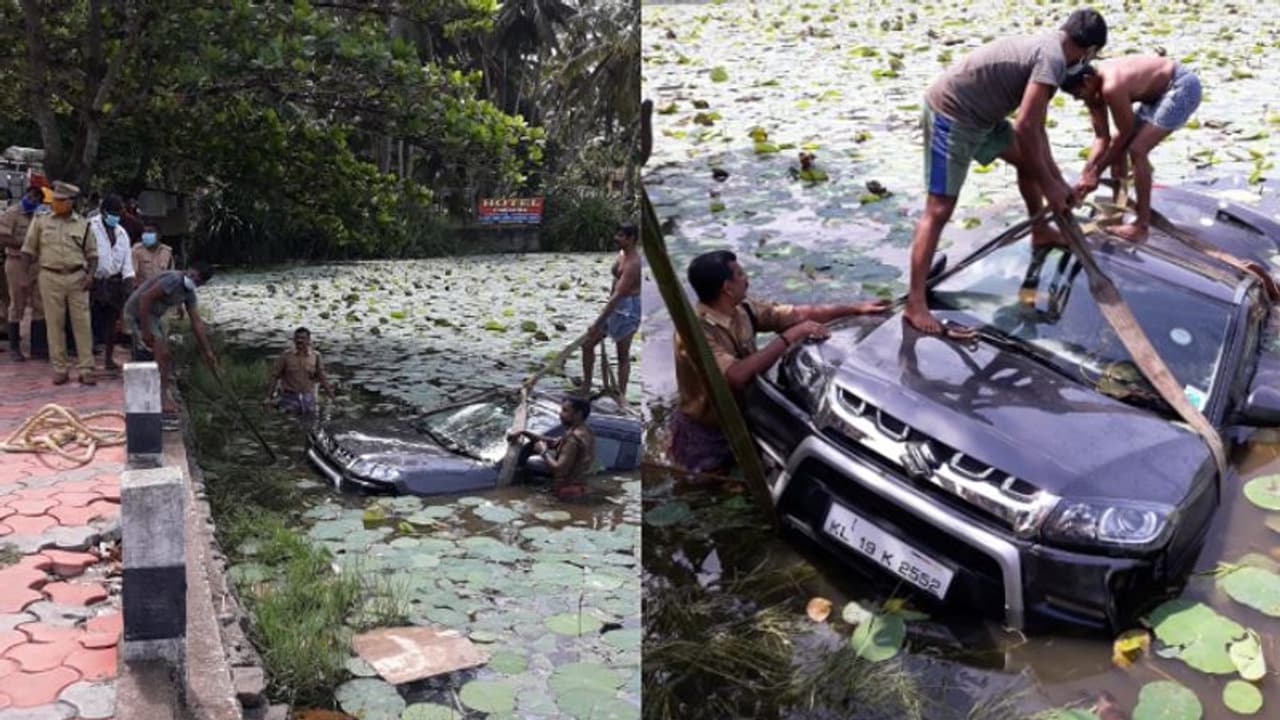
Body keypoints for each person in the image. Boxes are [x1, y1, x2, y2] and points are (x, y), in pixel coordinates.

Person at [904, 8, 1108, 337]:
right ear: (1087, 51)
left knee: (1029, 164)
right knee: (939, 209)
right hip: (952, 114)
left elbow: (1036, 132)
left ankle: (1040, 230)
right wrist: (1051, 186)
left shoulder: (1052, 49)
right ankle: (915, 303)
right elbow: (1027, 126)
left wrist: (1055, 182)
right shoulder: (1053, 59)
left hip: (985, 118)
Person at [670, 250, 889, 474]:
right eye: (741, 274)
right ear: (727, 287)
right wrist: (789, 337)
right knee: (702, 485)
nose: (747, 279)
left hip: (743, 415)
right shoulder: (694, 332)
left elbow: (797, 315)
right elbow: (735, 376)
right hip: (706, 430)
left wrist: (856, 308)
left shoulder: (743, 309)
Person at [1064, 56, 1202, 241]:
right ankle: (1117, 213)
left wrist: (1096, 172)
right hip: (1156, 95)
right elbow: (1101, 138)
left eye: (1077, 93)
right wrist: (1087, 173)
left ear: (1088, 80)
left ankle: (1141, 226)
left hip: (1180, 85)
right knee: (1119, 146)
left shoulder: (1112, 87)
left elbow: (1125, 135)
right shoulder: (1091, 92)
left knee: (1137, 150)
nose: (1076, 99)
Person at [21, 181, 96, 385]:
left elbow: (92, 255)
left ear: (71, 202)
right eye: (55, 200)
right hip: (49, 276)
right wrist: (25, 277)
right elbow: (28, 251)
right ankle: (60, 369)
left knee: (82, 324)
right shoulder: (41, 221)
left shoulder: (83, 224)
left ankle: (86, 368)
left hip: (76, 277)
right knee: (54, 324)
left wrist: (91, 276)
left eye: (62, 201)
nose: (57, 203)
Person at [123, 265, 218, 423]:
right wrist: (146, 330)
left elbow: (196, 322)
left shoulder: (189, 293)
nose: (194, 280)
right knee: (163, 354)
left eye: (198, 281)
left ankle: (162, 390)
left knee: (164, 355)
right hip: (138, 312)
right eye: (193, 276)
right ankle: (161, 397)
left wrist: (208, 352)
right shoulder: (173, 280)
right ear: (189, 270)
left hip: (154, 316)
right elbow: (145, 298)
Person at [579, 223, 642, 403]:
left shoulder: (634, 264)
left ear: (631, 239)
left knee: (622, 355)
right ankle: (586, 386)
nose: (617, 238)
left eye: (621, 236)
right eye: (617, 234)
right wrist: (605, 309)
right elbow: (614, 286)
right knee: (588, 345)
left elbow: (619, 295)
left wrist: (598, 322)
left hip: (628, 309)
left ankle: (620, 395)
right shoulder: (622, 254)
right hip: (613, 305)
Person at [512, 396, 597, 500]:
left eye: (565, 411)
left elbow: (559, 469)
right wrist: (524, 433)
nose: (560, 414)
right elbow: (554, 442)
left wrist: (543, 451)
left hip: (566, 492)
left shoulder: (573, 438)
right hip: (579, 488)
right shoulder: (586, 432)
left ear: (578, 414)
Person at [89, 194, 135, 371]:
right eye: (113, 213)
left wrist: (128, 285)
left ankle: (108, 359)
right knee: (88, 322)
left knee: (111, 324)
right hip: (94, 281)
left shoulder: (122, 233)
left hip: (114, 283)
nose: (116, 216)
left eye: (119, 213)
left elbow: (127, 264)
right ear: (103, 211)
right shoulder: (90, 227)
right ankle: (88, 361)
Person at [1, 184, 47, 361]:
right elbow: (2, 237)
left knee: (39, 303)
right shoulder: (12, 213)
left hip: (36, 264)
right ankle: (14, 348)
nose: (32, 200)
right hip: (17, 262)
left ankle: (38, 347)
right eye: (31, 196)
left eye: (37, 198)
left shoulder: (40, 216)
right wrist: (25, 243)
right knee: (17, 303)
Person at [264, 327, 335, 414]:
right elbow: (274, 376)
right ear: (294, 339)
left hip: (308, 398)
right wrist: (268, 397)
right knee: (290, 424)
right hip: (289, 397)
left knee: (309, 423)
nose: (299, 340)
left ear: (308, 340)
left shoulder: (316, 356)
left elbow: (322, 378)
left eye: (302, 338)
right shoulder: (286, 356)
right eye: (297, 338)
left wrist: (332, 397)